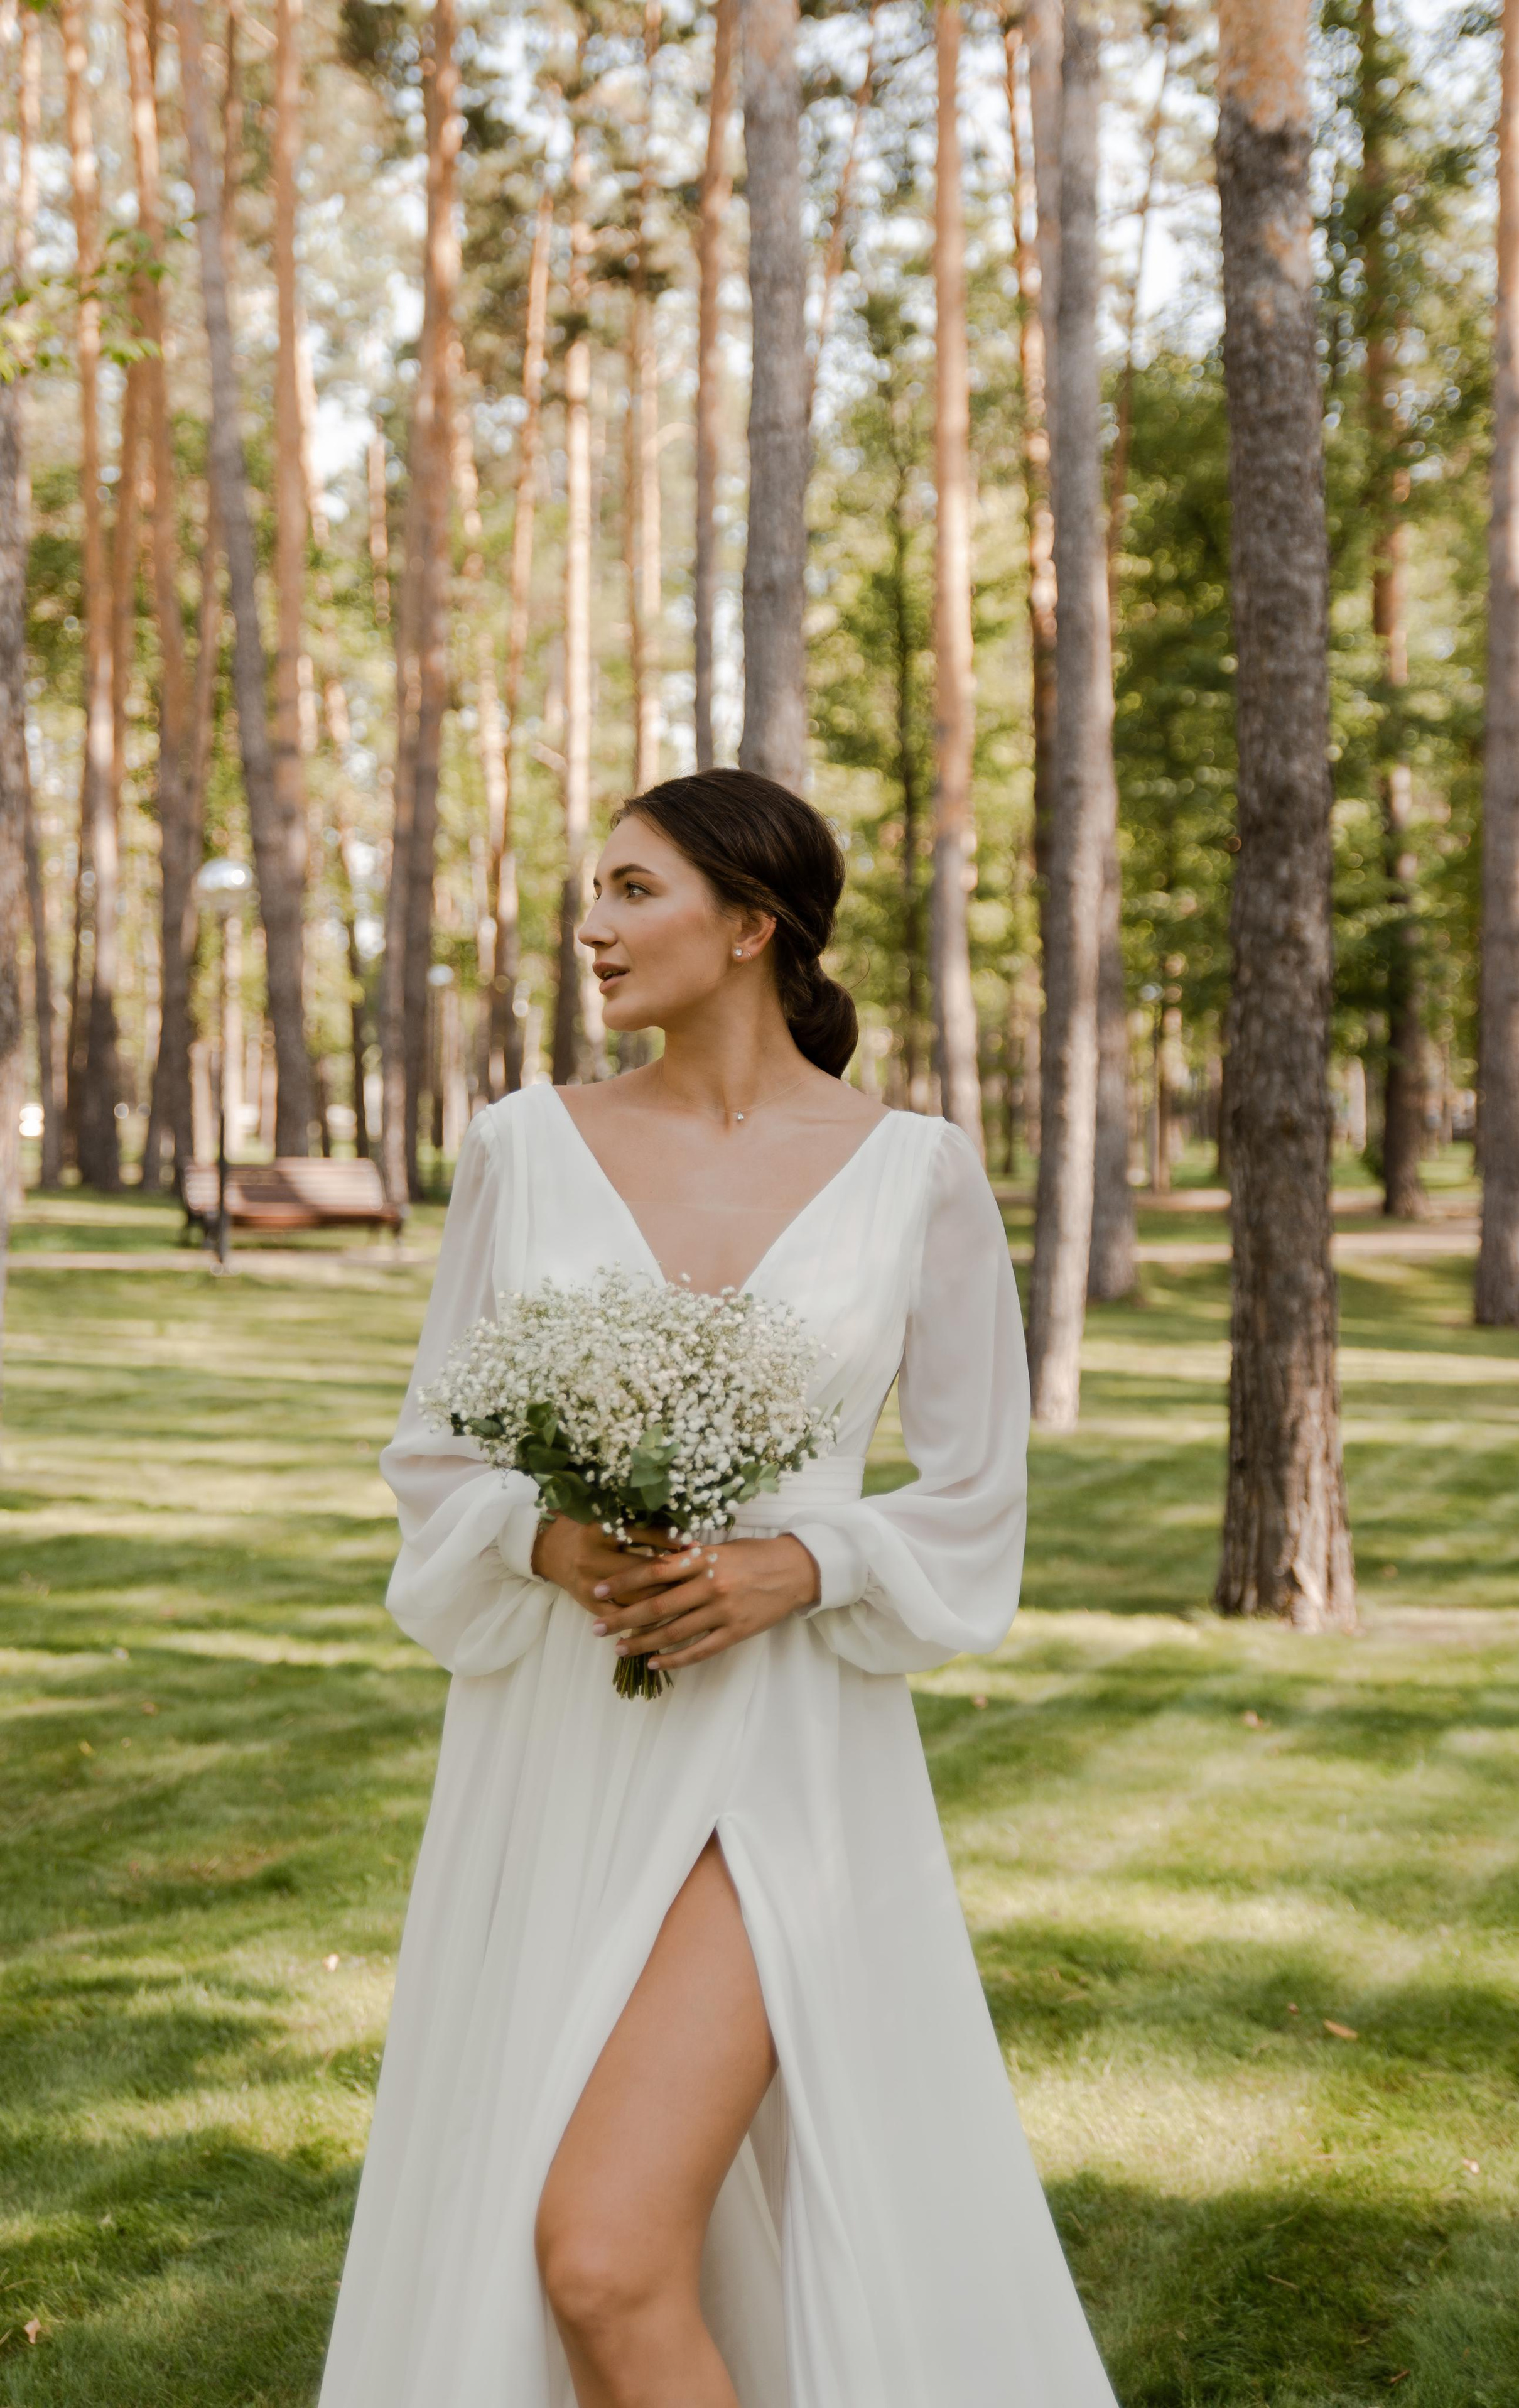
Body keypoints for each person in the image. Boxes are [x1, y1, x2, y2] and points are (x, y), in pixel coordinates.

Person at [317, 770, 1119, 2408]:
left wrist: (802, 1559)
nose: (591, 929)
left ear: (752, 925)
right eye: (591, 894)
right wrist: (550, 1539)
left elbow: (975, 1500)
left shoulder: (918, 1173)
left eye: (633, 892)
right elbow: (438, 1452)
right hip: (567, 1744)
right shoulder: (524, 1152)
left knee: (602, 2252)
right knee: (569, 2270)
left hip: (783, 1758)